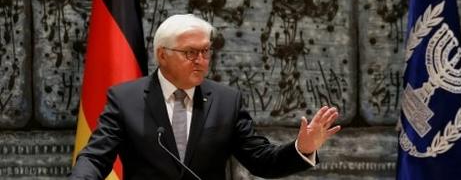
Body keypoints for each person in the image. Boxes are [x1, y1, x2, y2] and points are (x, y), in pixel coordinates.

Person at [70, 14, 341, 179]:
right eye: (190, 53)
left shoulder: (226, 101)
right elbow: (95, 157)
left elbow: (261, 160)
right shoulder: (125, 99)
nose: (201, 60)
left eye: (206, 51)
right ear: (162, 55)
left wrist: (302, 148)